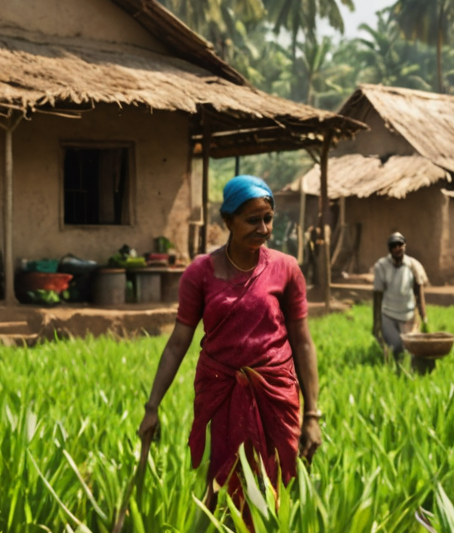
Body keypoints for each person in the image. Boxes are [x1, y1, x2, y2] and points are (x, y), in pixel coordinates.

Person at [138, 176, 324, 497]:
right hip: (222, 392)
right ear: (228, 220)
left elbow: (303, 342)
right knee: (224, 485)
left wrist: (312, 414)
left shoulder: (286, 268)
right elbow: (178, 342)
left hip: (275, 393)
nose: (263, 229)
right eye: (252, 220)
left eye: (268, 219)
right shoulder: (200, 273)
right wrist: (152, 406)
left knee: (277, 485)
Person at [371, 232, 428, 367]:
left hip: (408, 315)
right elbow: (377, 296)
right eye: (394, 245)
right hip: (389, 315)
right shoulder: (381, 266)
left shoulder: (413, 265)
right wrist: (376, 322)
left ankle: (408, 371)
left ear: (405, 246)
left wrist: (423, 316)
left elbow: (419, 292)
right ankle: (395, 371)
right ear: (389, 249)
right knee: (396, 346)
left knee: (410, 348)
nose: (398, 248)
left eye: (400, 244)